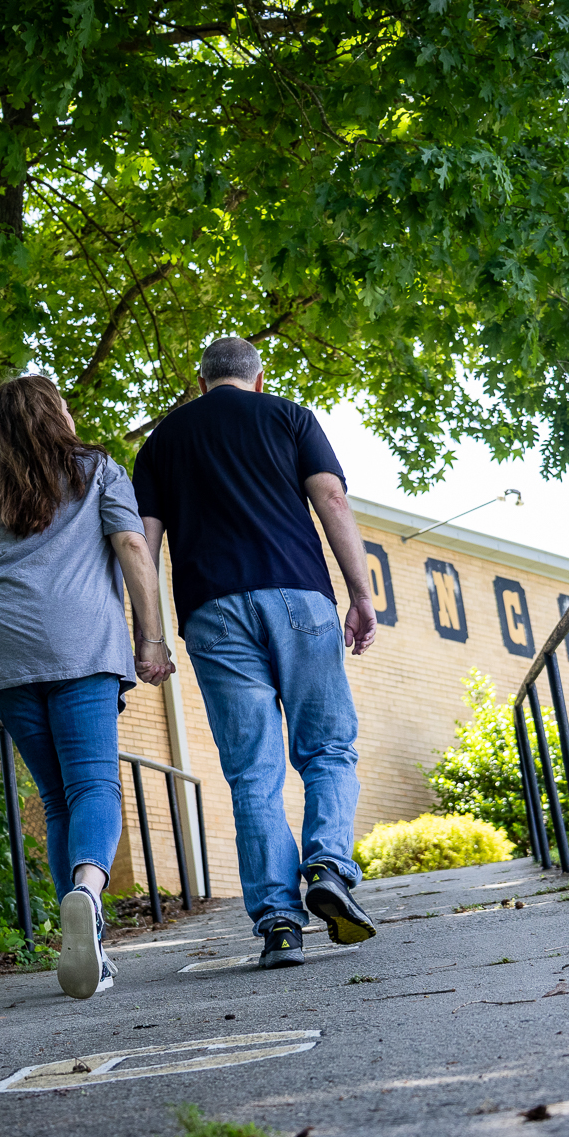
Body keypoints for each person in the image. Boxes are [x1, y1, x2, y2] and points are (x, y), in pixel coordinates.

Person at [132, 337, 378, 969]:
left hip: (211, 612)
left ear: (201, 380)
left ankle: (278, 926)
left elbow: (145, 546)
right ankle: (327, 865)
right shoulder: (289, 417)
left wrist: (151, 636)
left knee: (252, 770)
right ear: (258, 378)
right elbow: (332, 500)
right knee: (325, 747)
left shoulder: (160, 443)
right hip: (299, 597)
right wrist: (361, 592)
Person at [0, 374, 174, 1000]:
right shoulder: (96, 469)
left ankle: (85, 940)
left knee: (57, 798)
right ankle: (87, 897)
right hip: (79, 643)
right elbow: (130, 543)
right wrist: (151, 637)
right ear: (55, 416)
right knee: (94, 785)